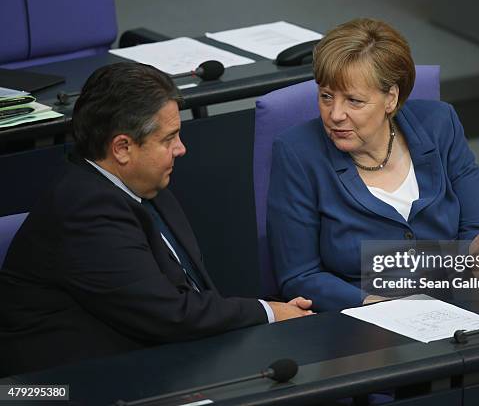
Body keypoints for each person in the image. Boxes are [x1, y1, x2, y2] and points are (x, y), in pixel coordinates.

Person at [0, 62, 312, 377]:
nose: (181, 149)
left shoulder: (146, 185)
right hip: (66, 385)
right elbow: (168, 314)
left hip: (162, 357)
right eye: (169, 139)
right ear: (122, 147)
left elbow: (189, 297)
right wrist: (268, 311)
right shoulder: (84, 211)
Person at [267, 18, 479, 312]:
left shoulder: (440, 124)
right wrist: (376, 305)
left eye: (354, 101)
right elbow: (299, 276)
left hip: (455, 302)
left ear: (391, 98)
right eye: (326, 96)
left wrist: (476, 258)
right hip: (361, 325)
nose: (335, 114)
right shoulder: (297, 152)